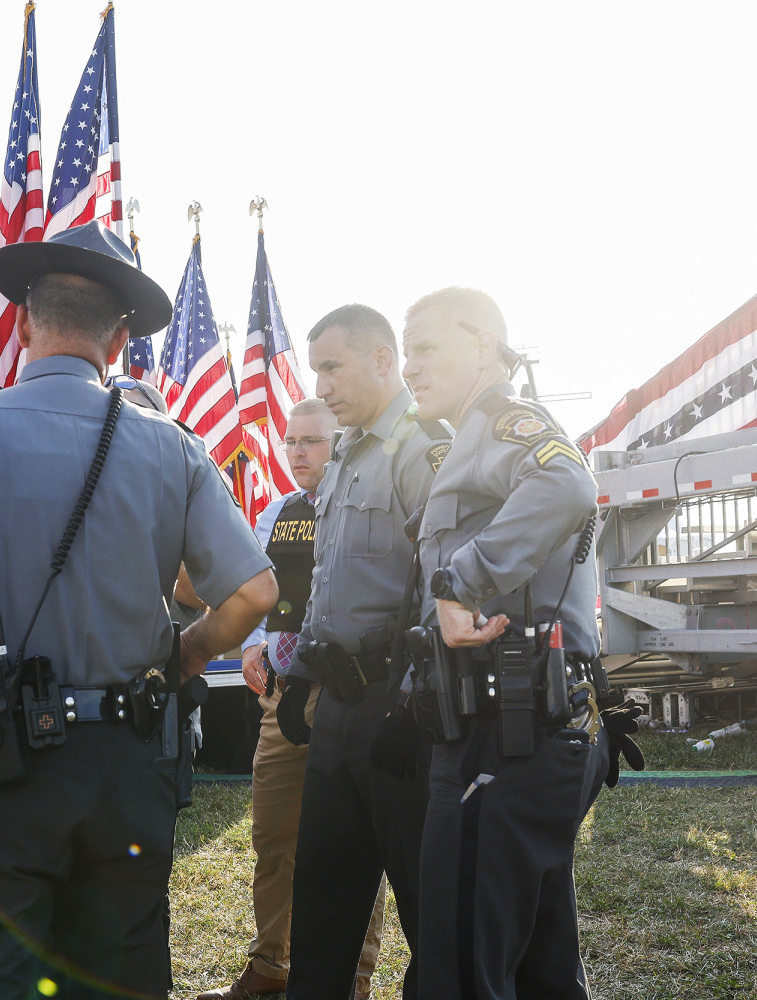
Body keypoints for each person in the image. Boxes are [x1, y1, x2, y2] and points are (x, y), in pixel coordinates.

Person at [0, 220, 278, 1000]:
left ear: (20, 322)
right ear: (118, 337)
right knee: (119, 976)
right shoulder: (172, 447)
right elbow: (254, 594)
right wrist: (184, 653)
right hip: (127, 761)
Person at [399, 287, 644, 1000]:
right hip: (520, 734)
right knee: (540, 969)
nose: (411, 367)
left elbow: (568, 482)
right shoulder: (468, 438)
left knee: (462, 968)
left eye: (425, 347)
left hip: (502, 736)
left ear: (482, 343)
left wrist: (460, 583)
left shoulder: (504, 422)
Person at [280, 304, 449, 1000]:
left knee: (425, 906)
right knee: (322, 899)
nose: (320, 383)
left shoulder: (422, 447)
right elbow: (327, 579)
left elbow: (446, 586)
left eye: (332, 366)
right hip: (338, 707)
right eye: (315, 367)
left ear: (383, 359)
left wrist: (415, 704)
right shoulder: (346, 448)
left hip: (397, 708)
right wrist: (299, 677)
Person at [198, 397, 388, 1000]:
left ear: (343, 442)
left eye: (313, 440)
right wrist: (253, 643)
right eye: (290, 440)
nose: (298, 452)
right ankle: (271, 967)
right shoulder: (277, 513)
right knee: (275, 838)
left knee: (357, 847)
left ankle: (352, 980)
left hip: (349, 696)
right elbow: (254, 590)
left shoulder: (365, 509)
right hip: (282, 701)